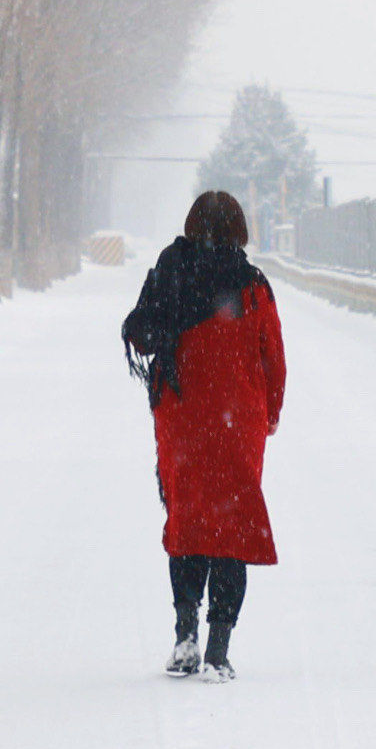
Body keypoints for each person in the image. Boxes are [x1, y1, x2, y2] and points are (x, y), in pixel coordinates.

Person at [122, 189, 286, 681]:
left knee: (189, 519)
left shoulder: (171, 273)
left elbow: (141, 333)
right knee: (233, 529)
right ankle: (218, 649)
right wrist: (268, 416)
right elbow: (272, 359)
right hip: (239, 423)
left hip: (182, 419)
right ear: (239, 229)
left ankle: (184, 635)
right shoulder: (253, 287)